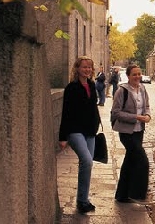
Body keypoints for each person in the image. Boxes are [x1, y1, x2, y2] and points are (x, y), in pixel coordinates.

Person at [58, 56, 101, 213]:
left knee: (87, 166)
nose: (87, 70)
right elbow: (66, 113)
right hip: (75, 131)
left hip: (90, 131)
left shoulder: (91, 85)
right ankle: (82, 200)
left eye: (89, 67)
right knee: (87, 161)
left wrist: (96, 125)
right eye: (84, 67)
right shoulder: (72, 88)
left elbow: (93, 108)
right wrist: (62, 137)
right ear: (77, 68)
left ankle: (83, 200)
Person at [111, 64, 151, 202]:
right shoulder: (122, 91)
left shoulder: (143, 88)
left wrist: (147, 116)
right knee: (142, 161)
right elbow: (116, 113)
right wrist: (136, 117)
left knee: (129, 161)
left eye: (139, 74)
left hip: (139, 130)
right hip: (126, 132)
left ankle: (122, 195)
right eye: (134, 74)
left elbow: (146, 106)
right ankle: (138, 195)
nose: (137, 77)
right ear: (128, 76)